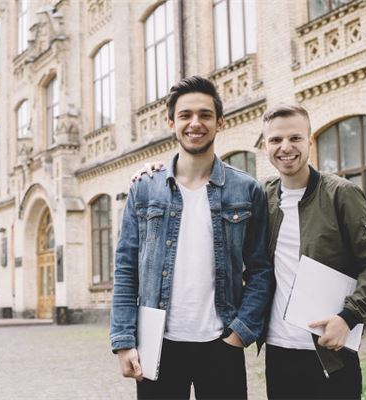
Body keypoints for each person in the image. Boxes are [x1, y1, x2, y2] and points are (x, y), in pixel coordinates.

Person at [110, 76, 273, 399]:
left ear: (220, 122)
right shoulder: (145, 189)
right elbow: (126, 269)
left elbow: (261, 270)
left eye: (205, 115)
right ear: (171, 122)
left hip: (222, 343)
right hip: (157, 344)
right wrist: (124, 340)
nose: (195, 123)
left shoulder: (246, 190)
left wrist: (240, 333)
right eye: (185, 115)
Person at [260, 104, 366, 399]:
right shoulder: (262, 196)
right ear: (264, 146)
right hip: (279, 351)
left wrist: (348, 317)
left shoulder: (341, 194)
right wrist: (159, 171)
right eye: (276, 140)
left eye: (295, 138)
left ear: (310, 141)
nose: (285, 147)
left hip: (331, 350)